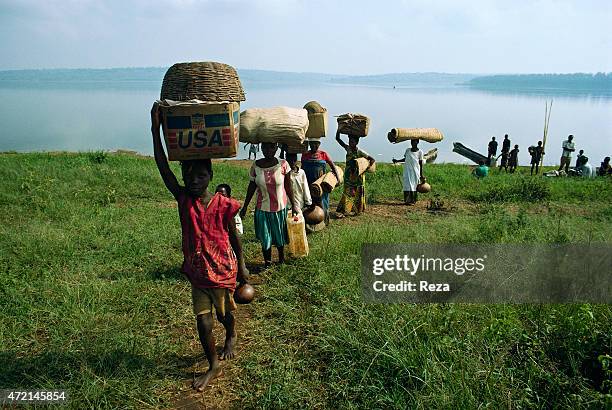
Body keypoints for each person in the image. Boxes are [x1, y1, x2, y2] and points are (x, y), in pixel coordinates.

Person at [150, 103, 248, 392]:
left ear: (210, 177)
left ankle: (231, 333)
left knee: (223, 316)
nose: (194, 181)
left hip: (223, 271)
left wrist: (242, 266)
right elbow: (162, 167)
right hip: (197, 273)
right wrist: (155, 130)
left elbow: (234, 237)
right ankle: (213, 364)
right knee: (203, 323)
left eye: (200, 176)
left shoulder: (225, 205)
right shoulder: (184, 201)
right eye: (189, 177)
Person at [240, 142, 296, 266]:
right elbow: (252, 186)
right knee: (265, 238)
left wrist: (295, 204)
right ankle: (267, 262)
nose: (268, 150)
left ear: (276, 148)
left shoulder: (283, 164)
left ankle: (281, 260)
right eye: (265, 147)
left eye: (271, 147)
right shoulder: (256, 166)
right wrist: (245, 207)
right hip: (262, 208)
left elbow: (288, 186)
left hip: (280, 208)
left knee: (280, 236)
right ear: (261, 148)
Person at [335, 130, 375, 217]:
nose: (350, 143)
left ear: (356, 142)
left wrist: (365, 168)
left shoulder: (360, 151)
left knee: (358, 192)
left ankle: (358, 210)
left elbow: (372, 159)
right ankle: (346, 210)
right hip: (348, 175)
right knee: (348, 192)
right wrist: (338, 130)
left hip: (358, 176)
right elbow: (338, 139)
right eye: (349, 141)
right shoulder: (348, 148)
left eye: (352, 141)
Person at [300, 139, 339, 225]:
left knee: (322, 201)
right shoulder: (305, 155)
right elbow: (302, 170)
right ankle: (310, 223)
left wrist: (337, 178)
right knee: (309, 202)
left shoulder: (323, 154)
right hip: (308, 182)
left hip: (321, 184)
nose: (314, 146)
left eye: (316, 144)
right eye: (312, 144)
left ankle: (324, 221)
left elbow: (333, 166)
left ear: (319, 144)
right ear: (309, 144)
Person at [392, 139, 424, 205]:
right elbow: (405, 159)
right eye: (412, 142)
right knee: (407, 185)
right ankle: (407, 201)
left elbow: (420, 163)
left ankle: (413, 201)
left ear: (417, 142)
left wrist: (421, 174)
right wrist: (397, 161)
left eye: (414, 142)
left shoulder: (420, 152)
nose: (412, 143)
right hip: (407, 171)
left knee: (414, 185)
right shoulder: (408, 150)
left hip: (415, 172)